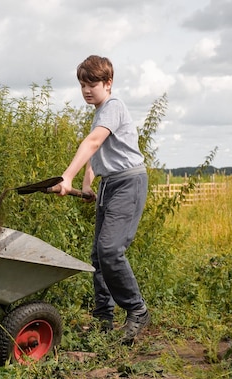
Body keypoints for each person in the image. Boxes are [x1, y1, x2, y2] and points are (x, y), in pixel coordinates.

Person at [55, 55, 150, 344]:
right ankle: (103, 317)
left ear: (108, 83)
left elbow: (93, 142)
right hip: (110, 184)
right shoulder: (100, 112)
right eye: (82, 84)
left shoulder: (113, 107)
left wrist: (66, 176)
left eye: (92, 84)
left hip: (128, 182)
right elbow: (99, 154)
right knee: (98, 254)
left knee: (110, 250)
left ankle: (137, 310)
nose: (86, 90)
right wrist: (86, 183)